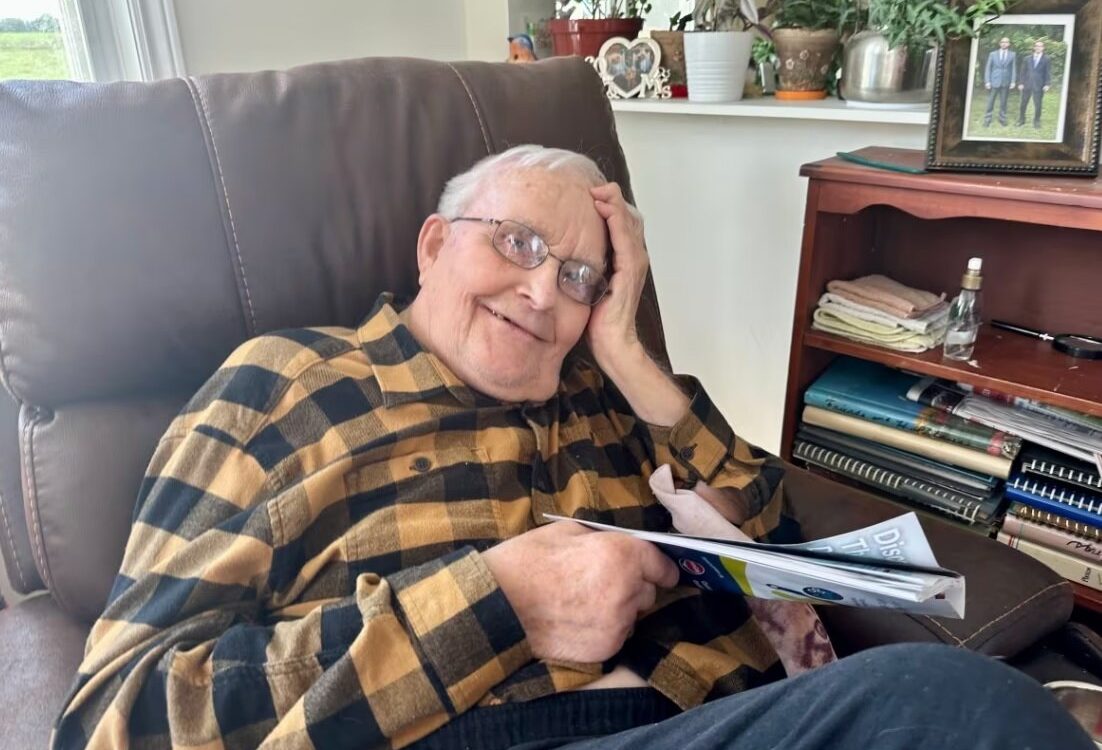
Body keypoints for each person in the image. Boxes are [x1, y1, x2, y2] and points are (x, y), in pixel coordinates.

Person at [51, 146, 1093, 750]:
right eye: (517, 243)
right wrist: (496, 601)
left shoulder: (604, 394)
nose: (545, 292)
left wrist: (629, 355)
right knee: (958, 710)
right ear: (433, 244)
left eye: (583, 277)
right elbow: (114, 717)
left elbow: (774, 533)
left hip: (713, 717)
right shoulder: (286, 385)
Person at [1018, 39, 1053, 128]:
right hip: (1027, 84)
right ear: (1034, 47)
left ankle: (1037, 121)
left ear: (1043, 48)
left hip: (1039, 85)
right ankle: (1021, 120)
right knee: (1023, 103)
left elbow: (1048, 72)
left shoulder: (1047, 59)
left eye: (1040, 46)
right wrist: (1021, 83)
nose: (1038, 48)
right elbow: (1022, 72)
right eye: (1036, 46)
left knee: (1038, 104)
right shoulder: (1027, 58)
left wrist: (1047, 84)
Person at [983, 36, 1016, 127]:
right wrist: (987, 81)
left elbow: (1013, 69)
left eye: (1006, 42)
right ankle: (987, 119)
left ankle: (1002, 119)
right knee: (991, 101)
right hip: (994, 81)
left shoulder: (1012, 54)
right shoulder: (993, 54)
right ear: (1000, 44)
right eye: (1002, 42)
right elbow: (988, 68)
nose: (1004, 44)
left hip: (1006, 81)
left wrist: (1013, 81)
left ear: (1009, 44)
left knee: (1003, 102)